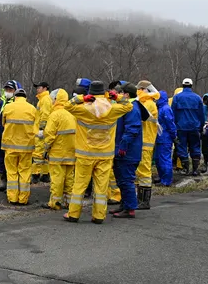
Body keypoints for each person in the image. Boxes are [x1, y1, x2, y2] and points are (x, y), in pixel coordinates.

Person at [63, 81, 132, 223]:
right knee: (101, 186)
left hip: (85, 154)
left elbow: (67, 105)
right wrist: (116, 97)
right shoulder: (112, 109)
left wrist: (81, 98)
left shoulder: (83, 109)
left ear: (90, 92)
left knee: (79, 185)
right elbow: (129, 105)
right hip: (105, 154)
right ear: (104, 92)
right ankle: (99, 215)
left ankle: (73, 214)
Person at [111, 83, 145, 219]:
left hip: (128, 152)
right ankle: (124, 205)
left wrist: (123, 146)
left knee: (126, 180)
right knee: (121, 180)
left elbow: (131, 129)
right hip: (123, 150)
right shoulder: (128, 106)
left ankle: (130, 208)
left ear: (126, 94)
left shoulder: (132, 108)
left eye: (121, 93)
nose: (119, 95)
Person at [1, 87, 37, 205]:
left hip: (10, 145)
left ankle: (12, 198)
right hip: (26, 146)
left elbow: (3, 123)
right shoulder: (32, 109)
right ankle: (23, 199)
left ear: (15, 96)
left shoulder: (8, 107)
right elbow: (36, 127)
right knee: (25, 172)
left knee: (11, 172)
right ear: (25, 97)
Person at [41, 88, 75, 210]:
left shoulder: (55, 115)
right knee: (69, 179)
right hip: (71, 153)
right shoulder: (72, 114)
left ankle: (55, 203)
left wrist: (45, 149)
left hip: (57, 153)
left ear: (56, 99)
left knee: (57, 179)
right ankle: (69, 202)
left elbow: (49, 135)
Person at [135, 81, 160, 210]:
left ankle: (144, 201)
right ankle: (139, 199)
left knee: (144, 171)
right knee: (140, 171)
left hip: (145, 143)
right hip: (144, 142)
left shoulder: (148, 103)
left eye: (139, 89)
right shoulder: (147, 102)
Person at [173, 78, 206, 175]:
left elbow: (173, 113)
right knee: (195, 147)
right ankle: (195, 170)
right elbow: (201, 115)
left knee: (182, 147)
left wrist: (174, 126)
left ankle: (185, 169)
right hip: (194, 127)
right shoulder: (197, 98)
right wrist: (201, 127)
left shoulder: (177, 98)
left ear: (182, 85)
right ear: (191, 86)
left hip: (181, 127)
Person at [0, 80, 18, 192]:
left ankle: (11, 183)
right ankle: (3, 179)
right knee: (0, 158)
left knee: (10, 160)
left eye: (10, 89)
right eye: (6, 89)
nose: (8, 91)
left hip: (10, 136)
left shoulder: (16, 103)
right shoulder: (2, 101)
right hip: (0, 134)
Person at [153, 90, 177, 187]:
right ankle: (162, 177)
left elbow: (170, 124)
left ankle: (166, 181)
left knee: (164, 159)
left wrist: (174, 136)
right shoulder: (160, 108)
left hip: (165, 138)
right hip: (160, 138)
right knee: (158, 159)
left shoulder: (165, 109)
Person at [31, 82, 53, 184]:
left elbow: (45, 114)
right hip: (43, 130)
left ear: (45, 88)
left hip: (41, 131)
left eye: (39, 87)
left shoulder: (45, 99)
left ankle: (36, 174)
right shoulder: (44, 99)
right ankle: (45, 174)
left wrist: (41, 128)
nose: (37, 89)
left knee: (38, 153)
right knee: (44, 153)